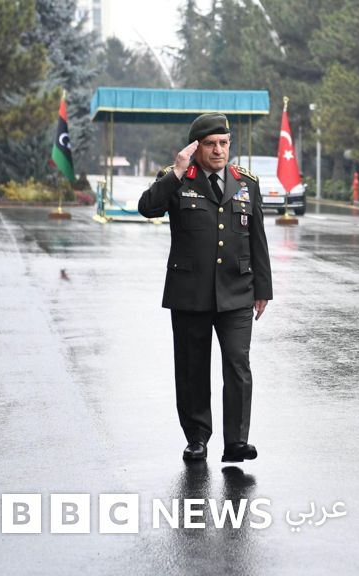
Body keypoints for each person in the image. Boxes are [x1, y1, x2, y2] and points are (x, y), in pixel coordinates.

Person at [138, 113, 273, 463]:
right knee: (192, 368)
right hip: (190, 292)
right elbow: (147, 208)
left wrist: (264, 288)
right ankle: (197, 437)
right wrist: (178, 170)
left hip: (237, 291)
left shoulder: (246, 183)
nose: (218, 151)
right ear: (196, 147)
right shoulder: (177, 179)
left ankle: (237, 442)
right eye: (211, 144)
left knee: (238, 363)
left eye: (224, 143)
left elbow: (257, 238)